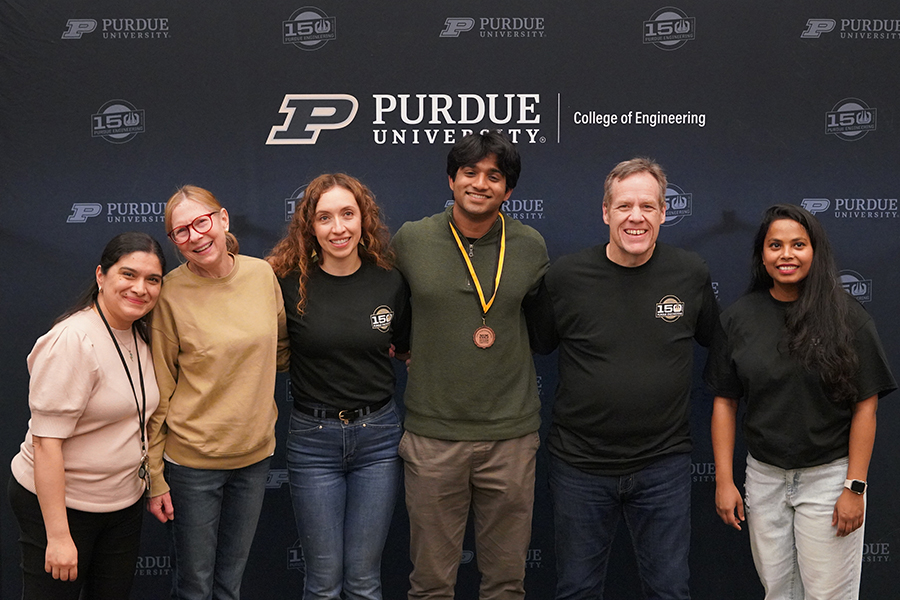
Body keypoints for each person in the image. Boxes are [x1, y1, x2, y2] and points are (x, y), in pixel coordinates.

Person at [535, 157, 719, 600]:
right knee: (577, 589)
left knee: (670, 590)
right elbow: (538, 344)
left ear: (662, 213)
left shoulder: (690, 273)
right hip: (580, 465)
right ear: (605, 212)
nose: (636, 217)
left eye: (648, 206)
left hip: (664, 465)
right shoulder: (565, 276)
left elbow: (721, 347)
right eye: (624, 206)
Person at [706, 204, 896, 599]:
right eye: (775, 245)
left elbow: (866, 406)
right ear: (763, 254)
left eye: (798, 244)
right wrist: (725, 481)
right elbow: (725, 402)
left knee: (829, 595)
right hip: (764, 479)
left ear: (815, 251)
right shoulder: (738, 318)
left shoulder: (847, 317)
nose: (786, 254)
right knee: (777, 592)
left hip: (828, 480)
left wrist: (854, 488)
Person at [391, 131, 549, 600]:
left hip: (511, 436)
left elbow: (542, 329)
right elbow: (389, 314)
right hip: (433, 436)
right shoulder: (412, 239)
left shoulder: (530, 245)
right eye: (470, 172)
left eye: (494, 176)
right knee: (431, 583)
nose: (480, 183)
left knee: (505, 583)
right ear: (451, 178)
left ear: (509, 190)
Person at [266, 173, 410, 600]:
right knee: (324, 582)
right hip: (313, 441)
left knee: (364, 581)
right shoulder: (286, 282)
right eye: (324, 217)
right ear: (309, 226)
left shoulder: (390, 281)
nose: (338, 228)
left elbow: (404, 348)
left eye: (348, 214)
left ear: (364, 218)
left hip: (378, 439)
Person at [146, 185, 289, 600]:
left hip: (254, 458)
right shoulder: (170, 292)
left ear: (223, 220)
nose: (195, 236)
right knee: (194, 588)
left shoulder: (261, 275)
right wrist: (155, 476)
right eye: (181, 231)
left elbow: (283, 348)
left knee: (229, 586)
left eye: (201, 222)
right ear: (174, 241)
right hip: (192, 465)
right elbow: (160, 388)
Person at [8, 232, 166, 599]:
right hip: (64, 508)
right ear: (101, 276)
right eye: (128, 275)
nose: (140, 288)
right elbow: (47, 445)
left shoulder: (138, 335)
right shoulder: (73, 340)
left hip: (122, 504)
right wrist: (59, 536)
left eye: (152, 280)